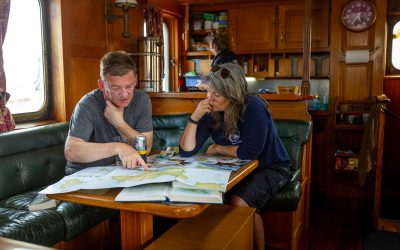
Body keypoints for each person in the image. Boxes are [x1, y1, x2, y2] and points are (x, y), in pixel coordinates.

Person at [179, 63, 291, 250]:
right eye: (208, 92)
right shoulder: (211, 112)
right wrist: (195, 117)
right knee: (210, 198)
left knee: (239, 203)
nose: (210, 98)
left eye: (216, 94)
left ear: (232, 94)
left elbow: (249, 152)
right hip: (238, 168)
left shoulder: (253, 106)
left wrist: (217, 148)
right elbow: (186, 151)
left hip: (272, 167)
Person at [64, 51, 153, 175]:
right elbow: (71, 151)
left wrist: (119, 123)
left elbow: (146, 148)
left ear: (136, 80)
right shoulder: (87, 104)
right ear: (101, 85)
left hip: (119, 173)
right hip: (84, 175)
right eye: (116, 88)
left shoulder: (141, 100)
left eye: (129, 86)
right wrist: (118, 148)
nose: (124, 94)